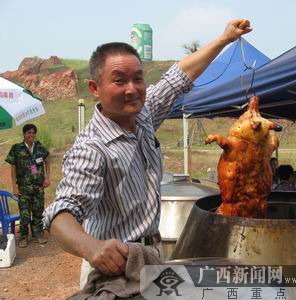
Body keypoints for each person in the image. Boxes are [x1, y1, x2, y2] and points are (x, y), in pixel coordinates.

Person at [42, 19, 251, 288]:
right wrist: (93, 248)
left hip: (150, 256)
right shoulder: (91, 148)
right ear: (95, 88)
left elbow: (178, 77)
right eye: (119, 81)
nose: (132, 89)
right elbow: (62, 214)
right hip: (113, 270)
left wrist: (224, 39)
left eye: (137, 78)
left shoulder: (143, 114)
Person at [5, 124, 50, 248]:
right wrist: (14, 186)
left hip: (38, 187)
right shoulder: (16, 148)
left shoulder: (40, 147)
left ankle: (38, 235)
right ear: (24, 134)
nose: (31, 135)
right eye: (29, 132)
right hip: (23, 188)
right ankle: (23, 237)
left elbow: (47, 160)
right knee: (24, 213)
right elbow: (12, 167)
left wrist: (47, 177)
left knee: (38, 211)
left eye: (33, 132)